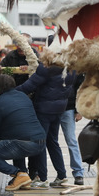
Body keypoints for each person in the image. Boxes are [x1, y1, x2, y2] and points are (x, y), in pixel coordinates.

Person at [15, 60, 76, 188]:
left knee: (40, 141)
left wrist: (11, 92)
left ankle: (42, 178)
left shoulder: (47, 66)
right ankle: (62, 176)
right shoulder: (71, 66)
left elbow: (29, 86)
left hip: (44, 108)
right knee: (53, 141)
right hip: (60, 108)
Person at [0, 74, 45, 191]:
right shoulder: (23, 96)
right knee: (15, 144)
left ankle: (19, 174)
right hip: (40, 140)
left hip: (25, 142)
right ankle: (24, 179)